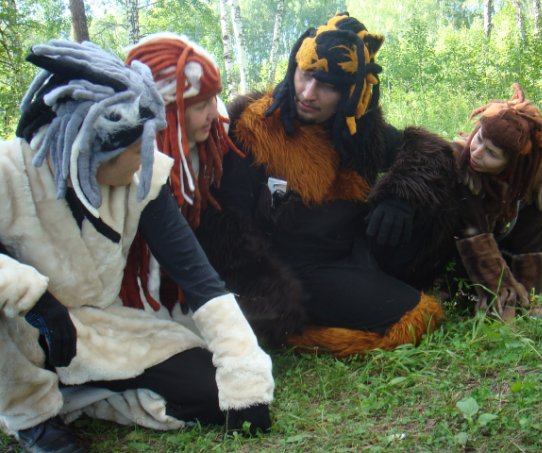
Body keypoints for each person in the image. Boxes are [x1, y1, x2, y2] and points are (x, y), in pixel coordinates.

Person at [0, 40, 273, 453]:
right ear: (92, 151)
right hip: (20, 335)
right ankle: (32, 418)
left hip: (99, 329)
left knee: (211, 392)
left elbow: (199, 279)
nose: (145, 157)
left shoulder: (143, 177)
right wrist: (31, 296)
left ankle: (78, 398)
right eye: (134, 150)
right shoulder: (9, 172)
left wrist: (246, 380)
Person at [197, 12, 460, 356]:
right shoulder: (254, 127)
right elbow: (225, 224)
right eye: (305, 75)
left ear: (351, 92)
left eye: (329, 85)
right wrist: (272, 294)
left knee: (437, 201)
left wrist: (401, 196)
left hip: (351, 252)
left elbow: (430, 151)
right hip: (290, 273)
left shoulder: (360, 128)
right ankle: (299, 332)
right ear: (294, 67)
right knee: (416, 318)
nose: (308, 93)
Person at [121, 33, 306, 345]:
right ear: (168, 111)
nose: (214, 113)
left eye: (213, 100)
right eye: (200, 105)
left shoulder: (214, 137)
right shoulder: (129, 162)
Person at [446, 83, 542, 319]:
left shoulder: (526, 177)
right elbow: (474, 238)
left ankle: (531, 297)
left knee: (531, 211)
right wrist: (502, 297)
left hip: (497, 243)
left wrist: (532, 300)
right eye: (479, 139)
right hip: (455, 252)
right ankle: (496, 299)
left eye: (491, 153)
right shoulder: (459, 166)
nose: (477, 152)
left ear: (512, 165)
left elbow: (530, 242)